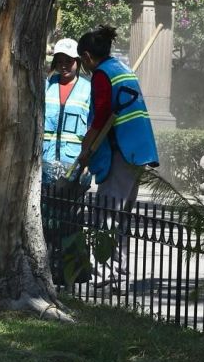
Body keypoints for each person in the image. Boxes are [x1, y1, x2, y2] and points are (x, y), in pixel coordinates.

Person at [76, 25, 159, 288]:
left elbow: (101, 115)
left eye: (82, 62)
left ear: (87, 56)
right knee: (121, 214)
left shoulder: (102, 74)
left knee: (107, 213)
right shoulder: (121, 68)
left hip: (121, 150)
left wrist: (86, 148)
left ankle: (105, 273)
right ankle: (120, 270)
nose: (84, 68)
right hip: (137, 150)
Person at [42, 38, 91, 188]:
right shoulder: (46, 85)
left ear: (77, 61)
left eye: (69, 61)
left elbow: (93, 127)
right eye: (59, 61)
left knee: (69, 209)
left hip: (74, 163)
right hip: (45, 161)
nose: (64, 65)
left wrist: (87, 164)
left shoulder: (88, 89)